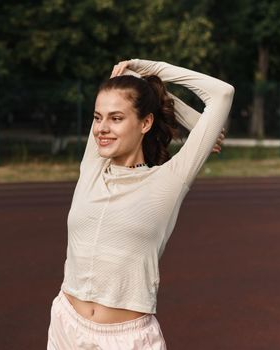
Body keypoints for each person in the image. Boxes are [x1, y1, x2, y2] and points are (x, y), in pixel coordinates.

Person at [47, 58, 235, 349]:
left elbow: (222, 93)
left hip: (126, 339)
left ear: (146, 122)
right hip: (66, 324)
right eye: (98, 117)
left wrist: (156, 70)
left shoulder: (168, 181)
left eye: (116, 118)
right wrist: (176, 109)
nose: (102, 129)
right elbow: (127, 78)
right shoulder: (94, 166)